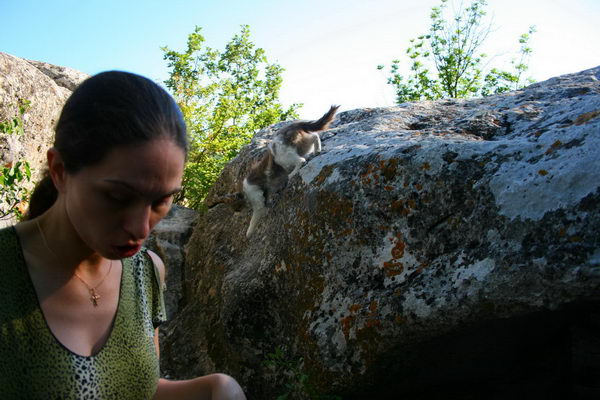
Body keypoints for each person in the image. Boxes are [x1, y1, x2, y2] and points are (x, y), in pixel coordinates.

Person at [0, 71, 246, 399]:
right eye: (118, 197)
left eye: (161, 201)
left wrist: (216, 389)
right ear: (60, 171)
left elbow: (131, 388)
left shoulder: (147, 272)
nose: (141, 228)